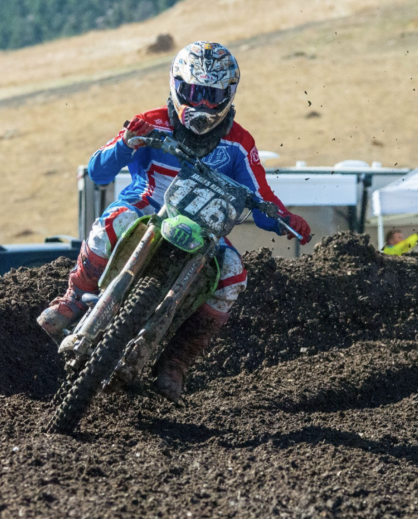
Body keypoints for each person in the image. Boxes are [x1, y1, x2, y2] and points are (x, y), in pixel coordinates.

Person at [38, 41, 310, 402]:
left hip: (206, 225)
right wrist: (126, 143)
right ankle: (73, 298)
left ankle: (176, 363)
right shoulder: (150, 122)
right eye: (194, 93)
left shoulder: (239, 143)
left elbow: (261, 197)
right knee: (114, 222)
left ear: (229, 95)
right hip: (147, 206)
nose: (202, 105)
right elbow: (98, 171)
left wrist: (285, 219)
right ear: (176, 85)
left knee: (233, 274)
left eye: (213, 96)